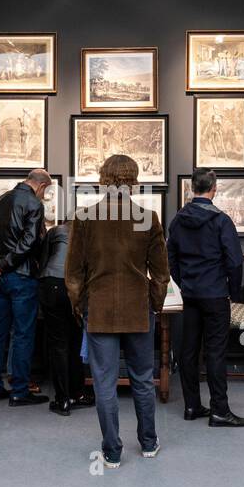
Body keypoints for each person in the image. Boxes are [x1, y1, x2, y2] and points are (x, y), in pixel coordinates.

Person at [65, 155, 170, 469]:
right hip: (138, 311)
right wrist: (154, 304)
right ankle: (148, 443)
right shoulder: (148, 218)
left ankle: (112, 451)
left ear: (103, 179)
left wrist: (81, 306)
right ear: (134, 180)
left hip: (99, 310)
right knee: (141, 379)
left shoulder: (85, 218)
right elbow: (161, 274)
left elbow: (73, 275)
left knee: (105, 384)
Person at [166, 167, 244, 428]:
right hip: (214, 295)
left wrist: (183, 284)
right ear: (214, 189)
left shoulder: (178, 220)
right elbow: (235, 262)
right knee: (215, 353)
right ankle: (219, 411)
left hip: (189, 295)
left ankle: (192, 406)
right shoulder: (221, 220)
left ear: (193, 188)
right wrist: (233, 292)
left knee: (188, 351)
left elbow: (171, 259)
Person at [0, 168, 50, 406]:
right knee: (22, 334)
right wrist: (4, 265)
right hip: (21, 276)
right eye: (45, 192)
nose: (44, 196)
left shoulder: (0, 200)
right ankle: (20, 390)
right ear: (41, 186)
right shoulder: (34, 204)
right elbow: (29, 242)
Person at [39, 220, 91, 416]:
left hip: (51, 283)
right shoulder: (88, 235)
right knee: (75, 341)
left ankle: (62, 400)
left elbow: (43, 259)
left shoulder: (55, 231)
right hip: (76, 287)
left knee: (58, 344)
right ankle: (78, 394)